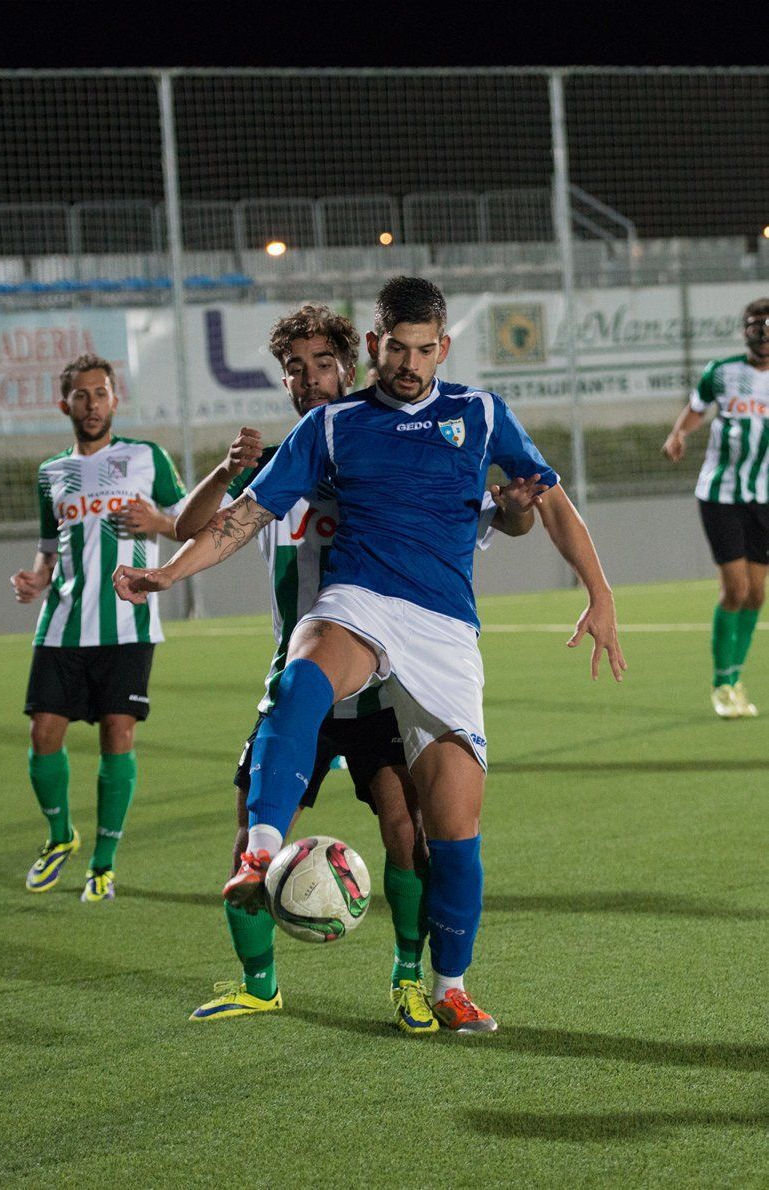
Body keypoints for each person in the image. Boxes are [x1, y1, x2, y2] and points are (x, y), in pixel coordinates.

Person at [114, 277, 624, 1034]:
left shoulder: (479, 413)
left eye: (424, 350)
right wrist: (166, 572)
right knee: (300, 677)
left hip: (445, 630)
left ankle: (446, 985)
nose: (410, 363)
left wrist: (599, 590)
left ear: (442, 347)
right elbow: (243, 517)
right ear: (375, 344)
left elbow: (539, 502)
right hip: (359, 602)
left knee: (449, 832)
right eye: (396, 348)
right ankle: (259, 859)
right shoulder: (332, 427)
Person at [174, 304, 539, 1031]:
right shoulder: (291, 461)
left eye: (322, 365)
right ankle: (258, 982)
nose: (309, 380)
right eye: (294, 370)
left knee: (409, 830)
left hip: (382, 686)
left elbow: (497, 518)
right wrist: (223, 474)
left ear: (353, 364)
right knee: (250, 831)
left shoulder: (389, 454)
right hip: (303, 677)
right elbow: (193, 529)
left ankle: (414, 980)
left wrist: (517, 508)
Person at [11, 353, 186, 903]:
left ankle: (103, 862)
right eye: (81, 396)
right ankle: (60, 836)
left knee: (119, 734)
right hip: (61, 623)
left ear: (116, 398)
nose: (91, 404)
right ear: (65, 404)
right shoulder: (51, 472)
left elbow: (187, 521)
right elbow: (49, 545)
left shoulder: (146, 457)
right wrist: (37, 580)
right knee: (43, 736)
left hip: (128, 622)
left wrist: (156, 522)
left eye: (101, 393)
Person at [662, 298, 769, 719]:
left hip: (765, 498)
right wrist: (678, 435)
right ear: (745, 331)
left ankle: (736, 677)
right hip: (721, 495)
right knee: (736, 590)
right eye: (755, 327)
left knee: (758, 593)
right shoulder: (721, 372)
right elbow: (696, 410)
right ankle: (722, 683)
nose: (761, 336)